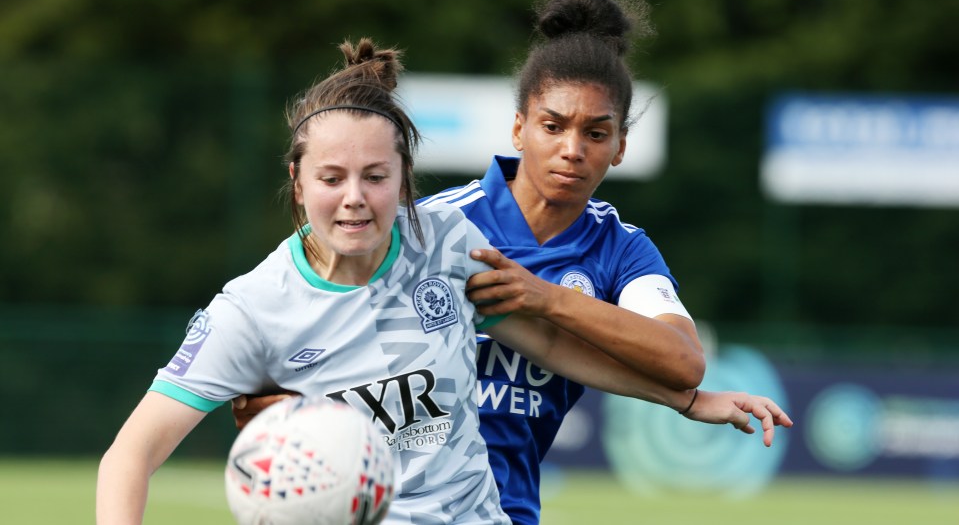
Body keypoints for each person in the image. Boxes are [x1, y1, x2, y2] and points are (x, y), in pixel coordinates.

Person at [97, 37, 779, 525]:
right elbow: (130, 455)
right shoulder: (250, 309)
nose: (355, 198)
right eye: (331, 179)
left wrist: (686, 401)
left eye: (375, 176)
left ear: (405, 183)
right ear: (298, 185)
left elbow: (549, 344)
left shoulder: (450, 243)